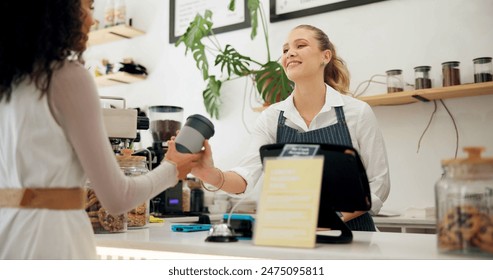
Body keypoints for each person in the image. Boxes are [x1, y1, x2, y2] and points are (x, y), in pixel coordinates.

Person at [0, 0, 201, 259]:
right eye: (88, 7)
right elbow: (117, 198)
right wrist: (172, 169)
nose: (91, 20)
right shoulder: (66, 77)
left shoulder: (8, 86)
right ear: (58, 12)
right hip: (53, 242)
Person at [192, 24, 390, 231]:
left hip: (356, 235)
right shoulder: (271, 118)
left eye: (301, 45)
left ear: (325, 56)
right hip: (296, 235)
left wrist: (331, 220)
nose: (290, 53)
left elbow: (378, 184)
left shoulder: (357, 112)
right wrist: (209, 173)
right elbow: (245, 177)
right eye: (285, 50)